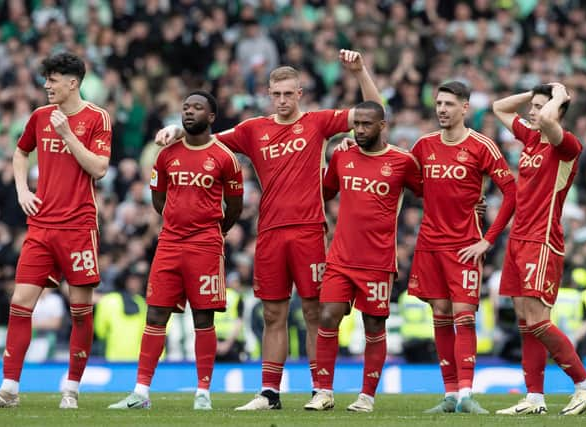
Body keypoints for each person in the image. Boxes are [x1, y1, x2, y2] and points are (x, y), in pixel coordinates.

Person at [156, 50, 380, 410]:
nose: (282, 100)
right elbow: (206, 137)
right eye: (276, 94)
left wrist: (359, 71)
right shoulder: (251, 130)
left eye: (288, 94)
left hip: (308, 230)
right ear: (268, 94)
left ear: (300, 94)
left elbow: (374, 112)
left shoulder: (319, 123)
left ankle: (321, 390)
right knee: (272, 314)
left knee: (313, 313)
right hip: (270, 232)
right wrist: (175, 130)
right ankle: (269, 393)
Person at [0, 52, 111, 409]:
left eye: (52, 79)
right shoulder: (39, 116)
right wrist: (22, 190)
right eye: (45, 79)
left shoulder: (97, 118)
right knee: (20, 304)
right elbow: (20, 154)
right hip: (41, 225)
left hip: (79, 226)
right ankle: (9, 389)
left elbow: (99, 168)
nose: (46, 85)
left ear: (72, 83)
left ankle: (72, 389)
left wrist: (68, 135)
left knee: (81, 309)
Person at [108, 90, 243, 411]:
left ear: (211, 117)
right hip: (169, 243)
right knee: (156, 313)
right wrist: (175, 219)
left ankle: (203, 393)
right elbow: (158, 197)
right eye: (185, 108)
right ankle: (140, 392)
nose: (189, 112)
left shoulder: (224, 157)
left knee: (203, 317)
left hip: (206, 246)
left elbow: (235, 205)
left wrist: (215, 230)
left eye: (197, 108)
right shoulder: (167, 154)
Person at [303, 101, 422, 412]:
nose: (359, 130)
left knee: (373, 326)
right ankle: (324, 391)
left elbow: (430, 192)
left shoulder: (401, 161)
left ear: (382, 126)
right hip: (340, 257)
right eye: (356, 125)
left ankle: (367, 396)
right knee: (327, 315)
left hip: (378, 261)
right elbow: (325, 191)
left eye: (367, 125)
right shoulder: (343, 154)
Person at [408, 81, 516, 414]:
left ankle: (467, 392)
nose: (442, 109)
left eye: (449, 104)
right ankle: (451, 395)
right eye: (439, 103)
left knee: (464, 316)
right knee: (440, 315)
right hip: (429, 244)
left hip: (465, 247)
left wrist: (487, 239)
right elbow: (412, 185)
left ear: (465, 108)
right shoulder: (423, 146)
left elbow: (511, 193)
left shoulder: (482, 145)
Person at [493, 83, 586, 415]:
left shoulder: (566, 146)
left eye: (538, 106)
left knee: (538, 321)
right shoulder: (532, 139)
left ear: (558, 111)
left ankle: (584, 384)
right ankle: (534, 397)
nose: (531, 112)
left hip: (542, 240)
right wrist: (533, 93)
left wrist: (560, 95)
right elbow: (499, 108)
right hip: (518, 240)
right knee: (524, 321)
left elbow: (549, 120)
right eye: (532, 106)